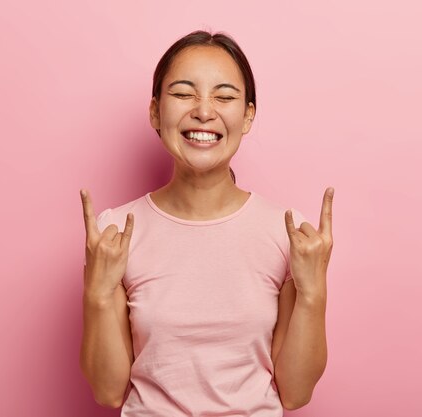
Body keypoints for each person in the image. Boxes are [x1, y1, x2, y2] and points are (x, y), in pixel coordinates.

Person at [79, 30, 334, 416]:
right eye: (183, 94)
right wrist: (97, 293)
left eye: (225, 96)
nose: (203, 110)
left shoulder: (288, 232)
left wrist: (313, 293)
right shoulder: (116, 231)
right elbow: (108, 391)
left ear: (247, 115)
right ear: (155, 111)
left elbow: (295, 393)